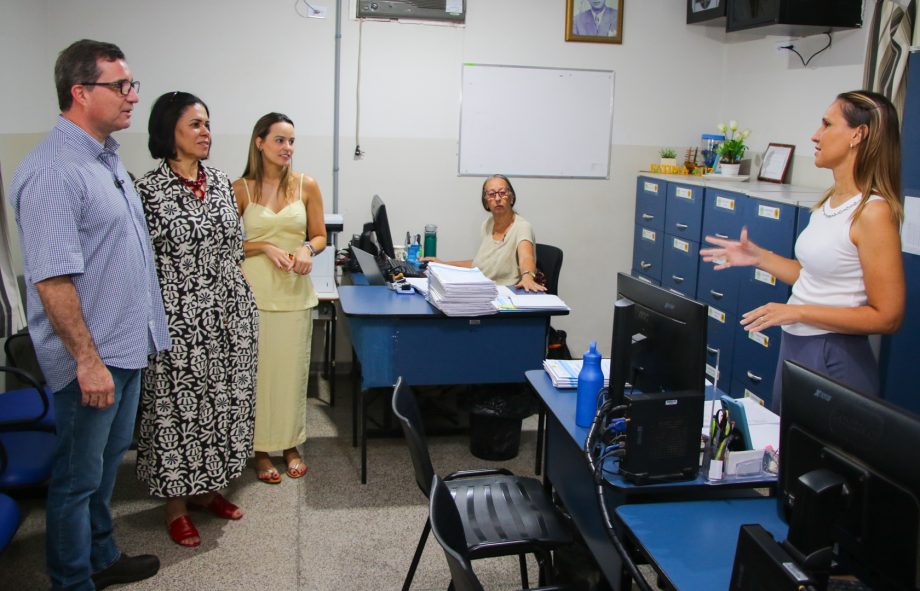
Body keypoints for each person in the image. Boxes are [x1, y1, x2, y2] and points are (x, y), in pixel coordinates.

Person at [9, 39, 169, 590]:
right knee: (76, 482)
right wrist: (87, 362)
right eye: (120, 86)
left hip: (126, 347)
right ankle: (72, 580)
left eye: (132, 85)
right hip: (92, 362)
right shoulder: (54, 170)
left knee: (101, 476)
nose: (132, 97)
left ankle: (101, 558)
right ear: (80, 92)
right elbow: (51, 281)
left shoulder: (104, 157)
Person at [700, 90, 905, 413]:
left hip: (834, 354)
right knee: (787, 451)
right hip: (797, 345)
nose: (815, 135)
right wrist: (758, 257)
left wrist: (799, 311)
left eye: (826, 124)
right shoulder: (830, 203)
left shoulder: (873, 212)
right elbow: (814, 278)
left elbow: (888, 316)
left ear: (858, 134)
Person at [134, 92, 259, 547]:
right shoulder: (147, 190)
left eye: (208, 123)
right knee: (176, 410)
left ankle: (210, 488)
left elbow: (233, 246)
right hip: (178, 320)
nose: (206, 132)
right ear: (169, 131)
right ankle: (175, 505)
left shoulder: (224, 182)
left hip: (231, 316)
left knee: (223, 407)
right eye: (195, 125)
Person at [232, 113, 326, 484]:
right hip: (254, 295)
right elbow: (226, 243)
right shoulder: (240, 188)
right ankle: (259, 451)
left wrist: (306, 248)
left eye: (291, 142)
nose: (287, 148)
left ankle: (289, 445)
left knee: (291, 374)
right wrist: (263, 246)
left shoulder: (307, 185)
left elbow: (319, 236)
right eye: (280, 141)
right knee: (259, 376)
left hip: (293, 295)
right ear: (259, 142)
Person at [423, 174, 546, 292]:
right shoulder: (488, 224)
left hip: (506, 293)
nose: (497, 198)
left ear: (511, 197)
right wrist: (444, 264)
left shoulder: (522, 227)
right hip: (482, 289)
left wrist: (527, 277)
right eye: (491, 194)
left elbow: (526, 257)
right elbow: (480, 264)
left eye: (502, 193)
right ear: (486, 201)